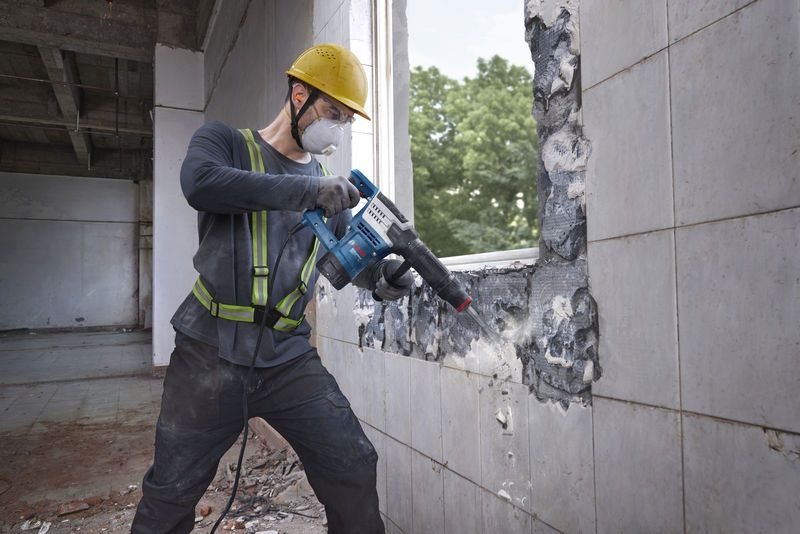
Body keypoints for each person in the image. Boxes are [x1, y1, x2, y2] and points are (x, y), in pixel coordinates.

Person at [132, 43, 411, 534]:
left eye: (347, 120)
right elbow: (199, 183)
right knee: (171, 491)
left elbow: (339, 260)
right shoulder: (224, 143)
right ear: (299, 95)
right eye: (333, 112)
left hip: (286, 356)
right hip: (209, 351)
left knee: (351, 464)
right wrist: (307, 193)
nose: (337, 128)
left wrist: (381, 277)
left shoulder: (327, 184)